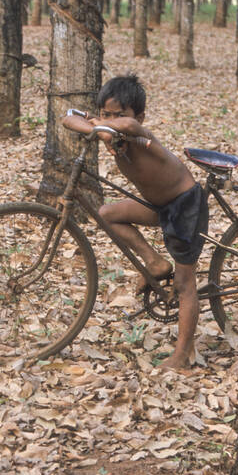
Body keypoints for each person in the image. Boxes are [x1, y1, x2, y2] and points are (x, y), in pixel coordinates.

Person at [62, 74, 208, 370]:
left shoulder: (139, 135)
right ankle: (154, 263)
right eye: (105, 114)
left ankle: (182, 354)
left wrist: (99, 124)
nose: (111, 121)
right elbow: (68, 119)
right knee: (107, 214)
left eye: (118, 114)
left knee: (184, 283)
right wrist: (97, 125)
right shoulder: (109, 131)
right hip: (158, 205)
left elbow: (128, 126)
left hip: (185, 206)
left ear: (139, 116)